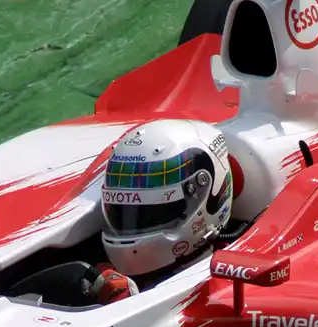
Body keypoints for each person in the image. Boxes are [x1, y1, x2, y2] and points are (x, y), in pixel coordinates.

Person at [91, 118, 235, 304]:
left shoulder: (233, 280)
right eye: (122, 212)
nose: (133, 224)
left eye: (154, 214)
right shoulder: (107, 277)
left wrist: (130, 304)